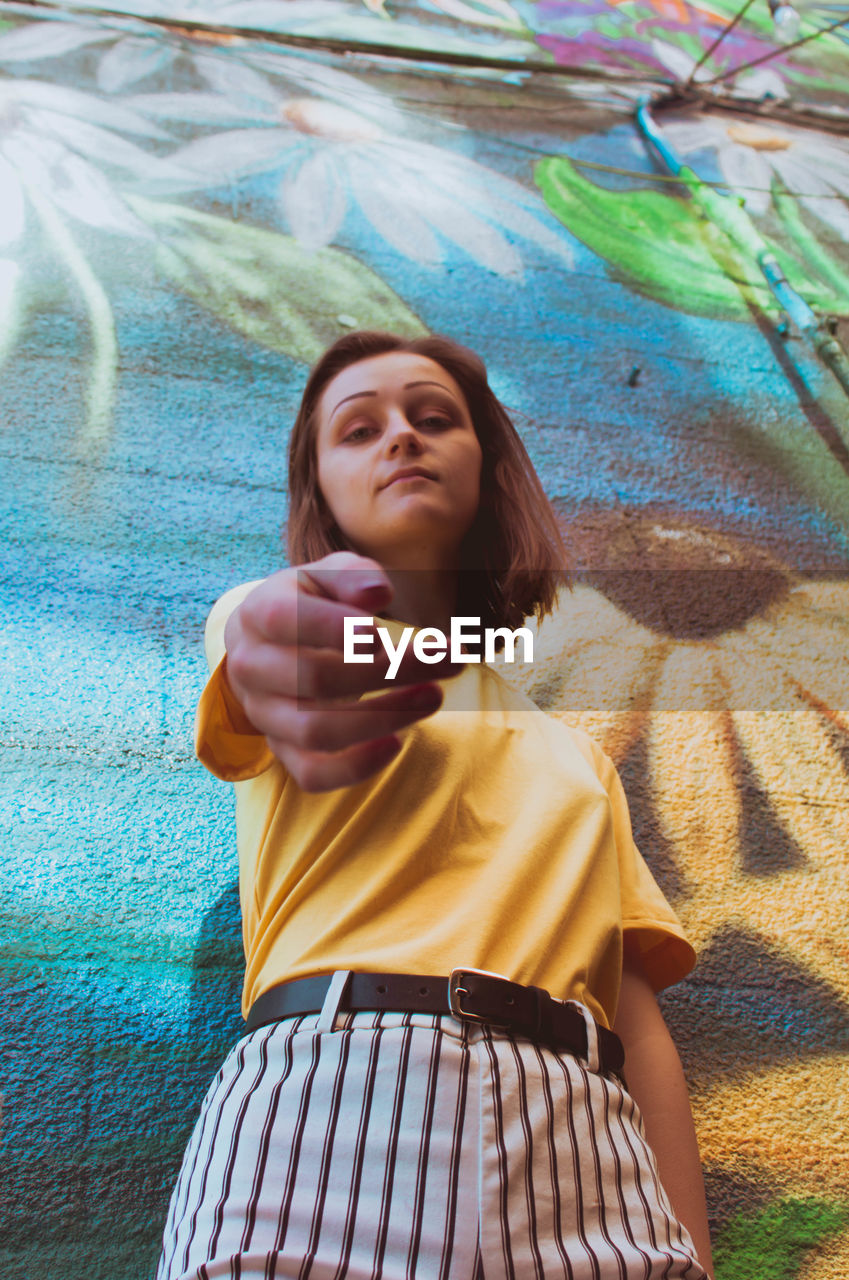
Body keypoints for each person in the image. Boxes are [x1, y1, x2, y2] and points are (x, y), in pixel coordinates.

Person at [156, 331, 715, 1280]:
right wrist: (282, 635)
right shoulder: (269, 611)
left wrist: (692, 1253)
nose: (400, 440)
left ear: (486, 466)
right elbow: (271, 640)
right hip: (324, 1113)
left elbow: (637, 1019)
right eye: (358, 429)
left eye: (433, 418)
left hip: (584, 1142)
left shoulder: (577, 758)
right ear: (319, 488)